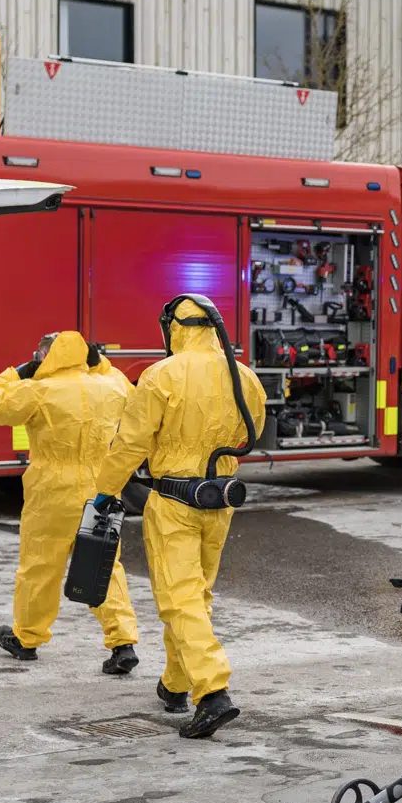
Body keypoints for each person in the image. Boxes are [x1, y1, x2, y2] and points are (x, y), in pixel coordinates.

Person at [95, 297, 267, 739]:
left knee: (180, 596)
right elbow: (255, 428)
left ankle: (212, 693)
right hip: (219, 500)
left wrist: (105, 490)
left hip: (174, 500)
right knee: (195, 593)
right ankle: (175, 683)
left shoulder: (162, 374)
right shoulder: (244, 375)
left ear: (174, 328)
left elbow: (131, 443)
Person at [0, 331, 140, 673]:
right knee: (104, 564)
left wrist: (17, 372)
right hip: (99, 487)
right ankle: (123, 642)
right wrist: (100, 364)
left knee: (40, 565)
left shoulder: (38, 391)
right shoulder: (110, 386)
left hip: (51, 491)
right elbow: (132, 395)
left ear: (46, 356)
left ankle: (26, 639)